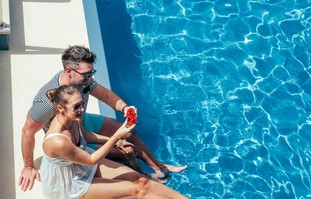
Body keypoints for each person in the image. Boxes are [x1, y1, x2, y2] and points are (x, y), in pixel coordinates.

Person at [19, 45, 187, 191]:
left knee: (129, 132)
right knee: (126, 150)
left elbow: (106, 96)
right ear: (69, 71)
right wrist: (28, 167)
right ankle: (146, 177)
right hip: (72, 137)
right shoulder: (48, 102)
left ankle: (160, 168)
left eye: (91, 72)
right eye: (86, 74)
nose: (90, 77)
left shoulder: (81, 81)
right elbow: (27, 131)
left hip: (82, 122)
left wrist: (125, 107)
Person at [40, 85, 213, 199]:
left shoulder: (72, 118)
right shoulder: (57, 141)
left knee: (141, 179)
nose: (81, 109)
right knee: (138, 191)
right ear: (60, 108)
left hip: (82, 163)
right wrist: (116, 136)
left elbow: (85, 135)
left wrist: (116, 141)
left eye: (82, 103)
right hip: (71, 181)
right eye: (76, 107)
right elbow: (91, 160)